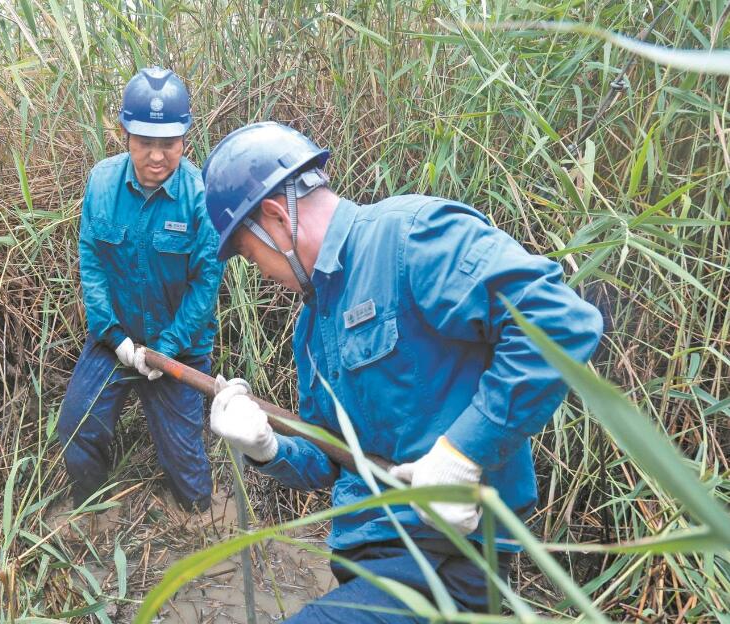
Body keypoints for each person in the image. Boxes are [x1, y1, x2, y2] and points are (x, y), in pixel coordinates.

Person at [201, 121, 603, 619]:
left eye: (248, 253)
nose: (259, 272)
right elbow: (331, 457)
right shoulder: (310, 327)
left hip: (448, 560)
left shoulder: (410, 237)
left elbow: (559, 322)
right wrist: (266, 448)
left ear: (275, 217)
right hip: (368, 562)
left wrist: (463, 453)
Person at [57, 67, 223, 513]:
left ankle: (197, 513)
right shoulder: (102, 182)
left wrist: (164, 351)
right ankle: (92, 511)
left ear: (184, 139)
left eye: (167, 143)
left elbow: (206, 283)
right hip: (114, 339)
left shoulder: (200, 196)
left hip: (178, 350)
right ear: (125, 134)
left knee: (188, 477)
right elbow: (91, 260)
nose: (155, 156)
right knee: (77, 428)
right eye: (144, 142)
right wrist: (114, 336)